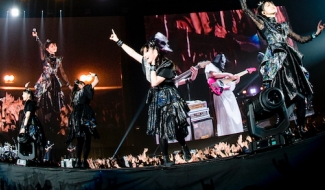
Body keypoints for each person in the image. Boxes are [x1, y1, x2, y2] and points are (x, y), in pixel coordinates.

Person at [236, 0, 324, 137]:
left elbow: (300, 39)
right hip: (277, 62)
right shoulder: (262, 23)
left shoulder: (283, 26)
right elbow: (246, 10)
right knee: (283, 99)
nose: (273, 5)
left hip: (290, 61)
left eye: (273, 4)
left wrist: (315, 34)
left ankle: (301, 128)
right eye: (269, 5)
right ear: (263, 12)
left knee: (299, 97)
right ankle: (283, 129)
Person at [109, 29, 192, 165]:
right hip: (157, 97)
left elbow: (154, 82)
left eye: (147, 52)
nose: (144, 55)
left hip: (169, 96)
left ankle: (184, 146)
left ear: (155, 51)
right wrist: (118, 41)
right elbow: (132, 53)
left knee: (174, 126)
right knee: (161, 129)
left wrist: (152, 65)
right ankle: (166, 159)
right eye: (144, 53)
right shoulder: (147, 62)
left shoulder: (167, 65)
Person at [31, 30, 71, 136]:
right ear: (47, 49)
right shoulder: (45, 58)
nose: (55, 47)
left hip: (55, 83)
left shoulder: (58, 60)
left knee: (56, 105)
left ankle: (57, 126)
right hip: (46, 82)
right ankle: (42, 124)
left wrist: (68, 84)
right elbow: (41, 47)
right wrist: (37, 38)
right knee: (44, 103)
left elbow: (62, 73)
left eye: (55, 45)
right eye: (52, 46)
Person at [204, 53, 245, 136]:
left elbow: (226, 84)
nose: (223, 63)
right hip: (221, 95)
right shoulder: (210, 66)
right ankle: (228, 134)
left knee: (234, 115)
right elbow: (213, 74)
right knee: (226, 115)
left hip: (229, 95)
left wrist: (235, 81)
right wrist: (227, 74)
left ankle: (236, 133)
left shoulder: (220, 71)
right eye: (222, 61)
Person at [65, 73, 100, 168]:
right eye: (83, 83)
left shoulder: (74, 94)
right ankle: (84, 161)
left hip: (76, 116)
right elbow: (96, 81)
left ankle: (77, 161)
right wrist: (95, 75)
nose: (85, 84)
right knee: (87, 139)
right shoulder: (84, 89)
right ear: (80, 85)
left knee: (79, 140)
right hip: (84, 115)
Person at [18, 83, 45, 163]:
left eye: (23, 94)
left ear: (28, 95)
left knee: (33, 140)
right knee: (34, 142)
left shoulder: (29, 103)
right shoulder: (29, 102)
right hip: (31, 123)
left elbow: (27, 115)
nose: (22, 96)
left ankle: (35, 159)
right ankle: (34, 158)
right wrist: (26, 88)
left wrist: (24, 127)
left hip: (31, 124)